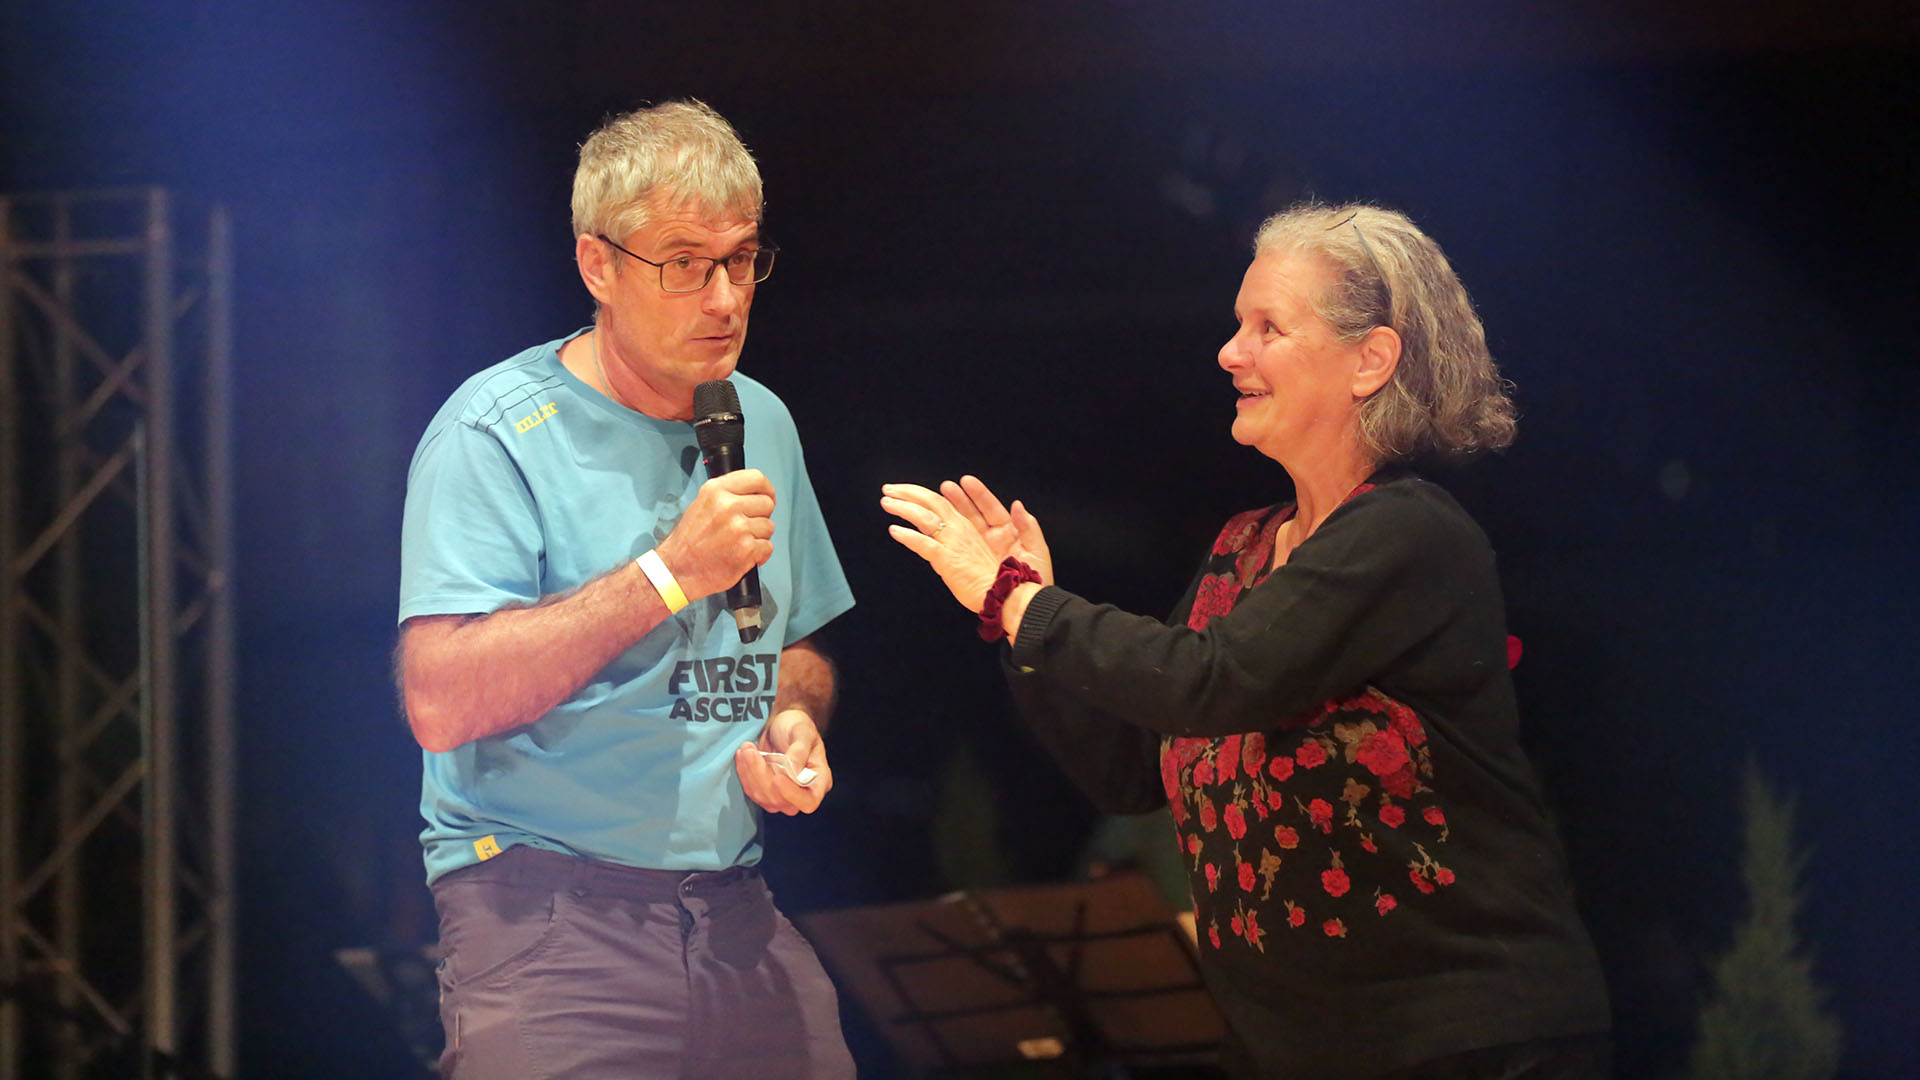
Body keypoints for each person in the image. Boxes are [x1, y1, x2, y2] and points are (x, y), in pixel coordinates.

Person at [882, 202, 1611, 1079]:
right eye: (1237, 325)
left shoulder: (1412, 536)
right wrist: (1023, 627)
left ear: (1370, 360)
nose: (1231, 353)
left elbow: (1211, 680)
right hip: (1287, 1052)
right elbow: (1131, 768)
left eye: (1268, 327)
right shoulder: (1242, 548)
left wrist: (1019, 603)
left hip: (1460, 1044)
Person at [397, 99, 856, 1079]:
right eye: (685, 263)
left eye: (741, 260)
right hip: (546, 912)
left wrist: (792, 722)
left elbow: (800, 647)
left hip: (735, 904)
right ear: (597, 265)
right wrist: (668, 572)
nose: (725, 297)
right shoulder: (495, 433)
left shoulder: (760, 417)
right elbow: (438, 701)